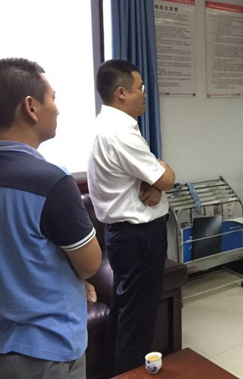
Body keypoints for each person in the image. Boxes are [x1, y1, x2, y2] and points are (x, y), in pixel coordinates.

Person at [0, 58, 102, 378]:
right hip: (46, 351)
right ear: (31, 107)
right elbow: (89, 264)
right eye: (53, 98)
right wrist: (79, 278)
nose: (57, 109)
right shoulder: (50, 181)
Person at [87, 59, 176, 375]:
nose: (144, 94)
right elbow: (166, 179)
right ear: (121, 93)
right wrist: (163, 175)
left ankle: (116, 371)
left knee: (126, 313)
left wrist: (155, 184)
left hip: (124, 234)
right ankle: (130, 372)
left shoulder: (105, 125)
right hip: (139, 237)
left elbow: (148, 181)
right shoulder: (120, 131)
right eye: (140, 88)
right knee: (138, 323)